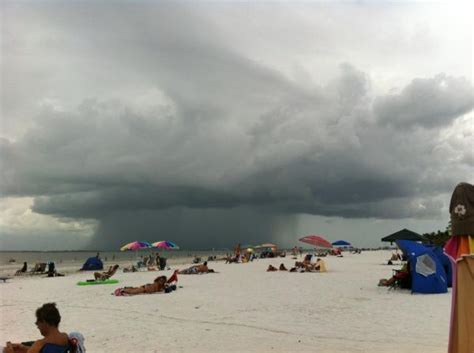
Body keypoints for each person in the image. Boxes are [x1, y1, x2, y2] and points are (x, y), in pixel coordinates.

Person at [3, 303, 69, 353]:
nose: (36, 325)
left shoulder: (40, 344)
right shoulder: (65, 337)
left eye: (37, 321)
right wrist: (24, 348)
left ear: (44, 322)